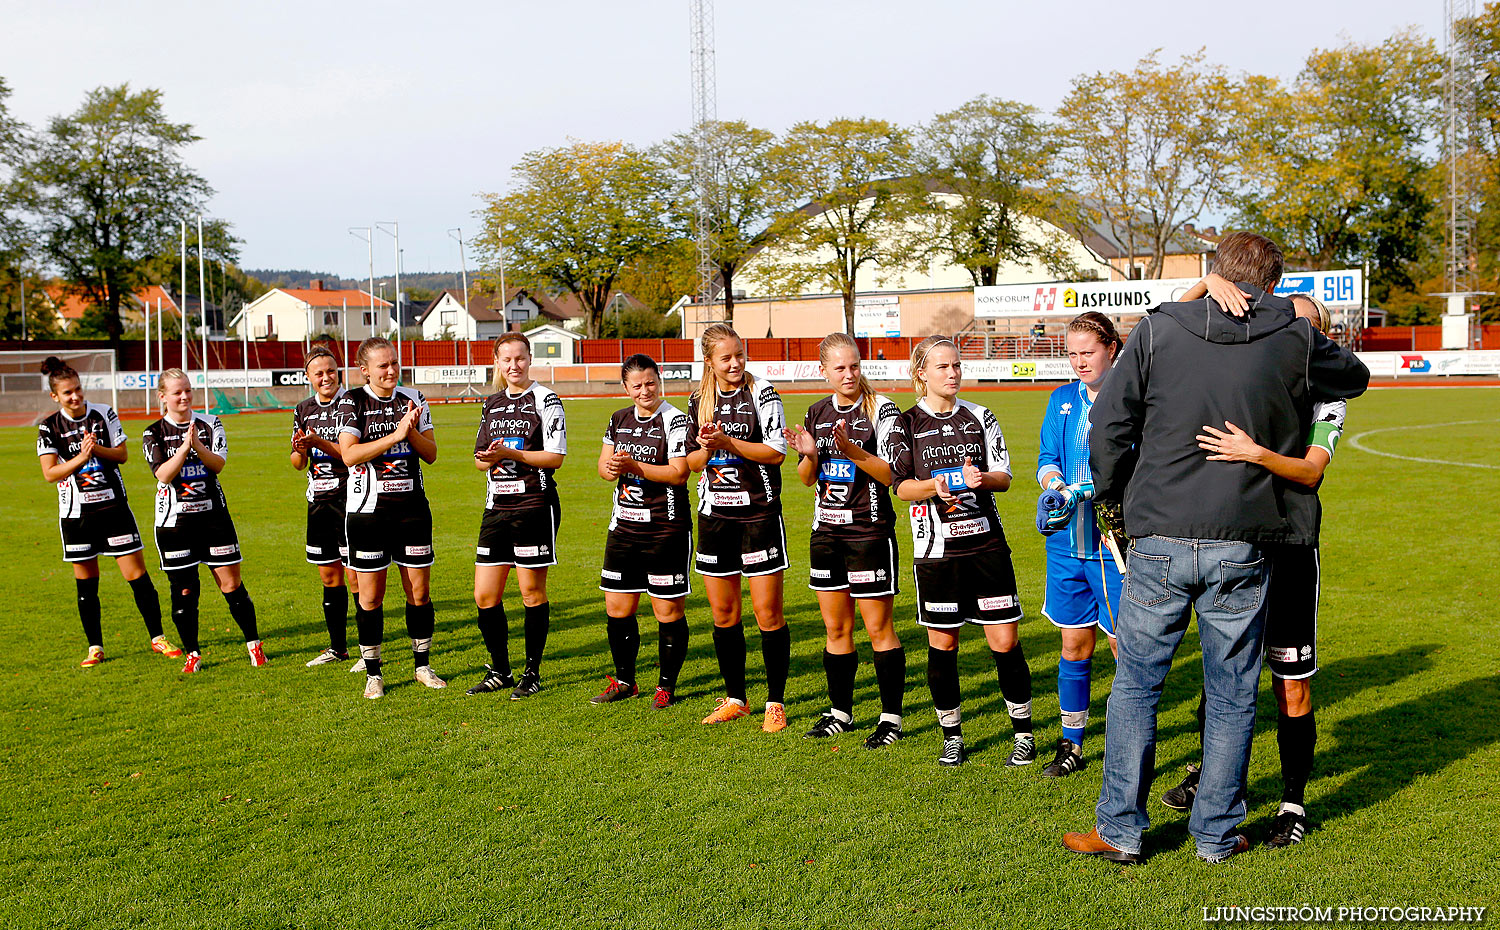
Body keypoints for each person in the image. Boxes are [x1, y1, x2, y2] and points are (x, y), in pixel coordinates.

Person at [1063, 232, 1368, 865]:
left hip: (1161, 533)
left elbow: (1109, 428)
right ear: (1275, 283)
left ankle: (1120, 831)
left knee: (1138, 688)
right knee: (1231, 693)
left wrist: (1120, 505)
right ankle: (1216, 837)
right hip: (1243, 537)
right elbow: (1355, 376)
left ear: (1215, 275)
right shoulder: (1291, 333)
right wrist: (1284, 318)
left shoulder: (1159, 328)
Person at [1157, 279, 1345, 850]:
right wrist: (1209, 281)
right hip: (1234, 543)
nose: (1290, 334)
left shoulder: (1327, 395)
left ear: (1321, 339)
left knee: (1291, 686)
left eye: (1303, 327)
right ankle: (1210, 775)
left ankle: (1292, 802)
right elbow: (1165, 324)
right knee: (1223, 672)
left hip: (1289, 546)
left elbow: (1312, 471)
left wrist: (1255, 454)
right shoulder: (1249, 374)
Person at [886, 335, 1034, 767]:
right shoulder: (906, 423)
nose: (952, 374)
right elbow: (901, 488)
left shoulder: (981, 416)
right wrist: (938, 485)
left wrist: (979, 480)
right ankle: (952, 734)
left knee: (1004, 640)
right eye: (943, 367)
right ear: (921, 374)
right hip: (936, 552)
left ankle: (1022, 734)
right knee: (942, 644)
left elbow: (1004, 477)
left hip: (985, 545)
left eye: (956, 366)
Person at [784, 332, 906, 748]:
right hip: (826, 535)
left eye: (855, 365)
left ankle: (891, 718)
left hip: (868, 533)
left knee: (878, 629)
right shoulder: (817, 412)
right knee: (836, 627)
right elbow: (805, 478)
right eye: (840, 367)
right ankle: (840, 712)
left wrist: (852, 451)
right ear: (824, 372)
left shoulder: (881, 409)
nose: (850, 374)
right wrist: (812, 455)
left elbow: (893, 475)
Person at [36, 357, 179, 667]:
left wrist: (96, 450)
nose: (75, 397)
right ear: (55, 397)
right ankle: (95, 647)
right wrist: (80, 457)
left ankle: (158, 637)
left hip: (113, 509)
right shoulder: (49, 427)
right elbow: (50, 473)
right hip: (77, 515)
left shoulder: (103, 413)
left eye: (78, 390)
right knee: (86, 582)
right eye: (67, 393)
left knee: (137, 575)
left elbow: (122, 455)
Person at [686, 323, 791, 732]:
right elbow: (692, 464)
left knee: (767, 614)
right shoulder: (699, 400)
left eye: (739, 354)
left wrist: (730, 444)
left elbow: (776, 453)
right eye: (725, 358)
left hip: (758, 516)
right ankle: (736, 698)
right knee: (724, 613)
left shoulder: (762, 392)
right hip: (715, 518)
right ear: (709, 362)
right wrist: (708, 447)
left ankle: (775, 702)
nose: (735, 363)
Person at [1033, 312, 1124, 778]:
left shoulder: (1132, 396)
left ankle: (1129, 747)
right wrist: (1053, 487)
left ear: (1111, 348)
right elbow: (1047, 457)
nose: (1079, 361)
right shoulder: (1062, 398)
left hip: (1113, 546)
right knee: (1073, 645)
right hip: (1067, 544)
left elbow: (1130, 467)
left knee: (1122, 648)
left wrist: (1081, 490)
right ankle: (1071, 743)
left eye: (1087, 351)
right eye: (1071, 353)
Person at [336, 337, 444, 700]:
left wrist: (409, 431)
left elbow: (430, 454)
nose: (392, 371)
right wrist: (395, 435)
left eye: (395, 363)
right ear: (364, 369)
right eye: (383, 366)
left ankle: (422, 666)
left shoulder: (414, 398)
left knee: (419, 591)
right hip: (367, 513)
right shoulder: (352, 401)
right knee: (371, 596)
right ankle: (374, 673)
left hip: (412, 511)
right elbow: (349, 455)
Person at [142, 368, 263, 673]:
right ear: (163, 397)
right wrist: (184, 448)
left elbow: (218, 464)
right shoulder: (152, 432)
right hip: (174, 525)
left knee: (232, 585)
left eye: (187, 391)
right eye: (176, 392)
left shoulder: (210, 423)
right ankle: (193, 653)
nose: (184, 397)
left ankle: (254, 646)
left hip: (214, 521)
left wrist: (197, 445)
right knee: (184, 592)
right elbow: (164, 474)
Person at [467, 332, 568, 699]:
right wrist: (489, 458)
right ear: (497, 362)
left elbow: (555, 457)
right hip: (497, 509)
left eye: (520, 358)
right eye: (507, 360)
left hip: (534, 506)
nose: (514, 366)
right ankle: (499, 670)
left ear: (530, 358)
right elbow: (479, 461)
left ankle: (532, 672)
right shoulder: (491, 403)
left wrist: (515, 455)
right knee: (484, 595)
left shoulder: (546, 399)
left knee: (530, 591)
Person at [593, 354, 692, 707]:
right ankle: (624, 681)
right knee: (618, 609)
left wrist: (635, 465)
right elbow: (604, 470)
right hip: (623, 529)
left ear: (659, 380)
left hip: (665, 529)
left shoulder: (675, 419)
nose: (644, 390)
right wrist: (613, 466)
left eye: (650, 382)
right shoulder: (618, 419)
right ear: (626, 387)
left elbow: (679, 473)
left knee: (667, 613)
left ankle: (665, 686)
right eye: (636, 385)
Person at [289, 346, 361, 669]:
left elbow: (350, 453)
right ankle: (337, 647)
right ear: (308, 377)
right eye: (318, 373)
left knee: (356, 577)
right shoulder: (302, 409)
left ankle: (366, 650)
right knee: (329, 576)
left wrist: (319, 443)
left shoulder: (353, 403)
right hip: (319, 502)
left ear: (339, 371)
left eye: (330, 371)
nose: (325, 377)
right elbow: (296, 463)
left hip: (352, 498)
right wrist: (300, 448)